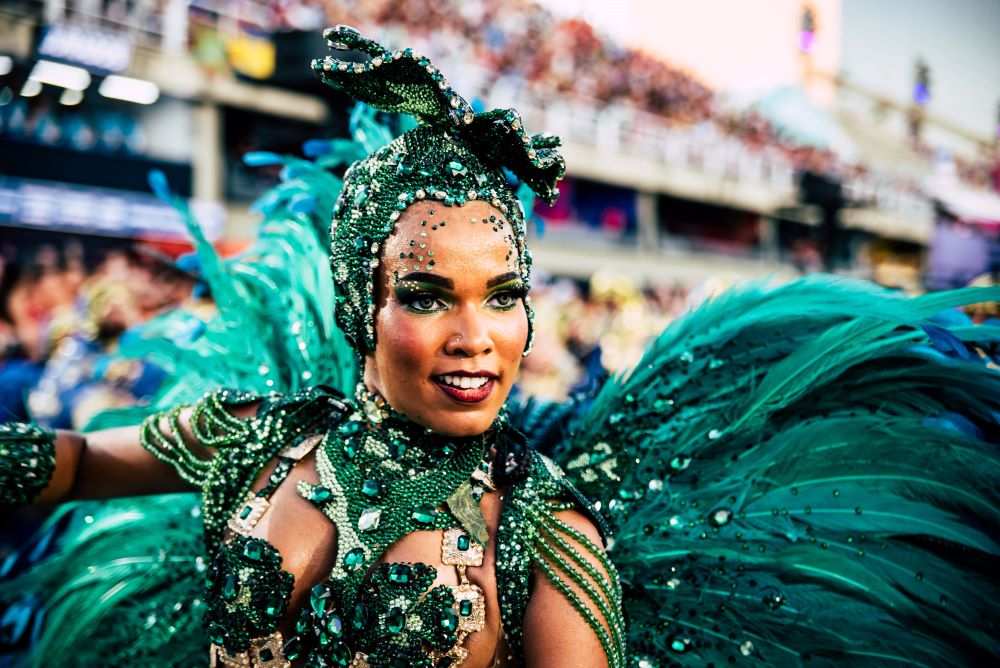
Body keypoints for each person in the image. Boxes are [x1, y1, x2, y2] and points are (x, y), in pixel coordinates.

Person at [2, 26, 999, 668]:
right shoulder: (254, 433)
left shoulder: (544, 529)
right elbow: (86, 460)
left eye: (505, 294)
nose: (475, 337)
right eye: (428, 294)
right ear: (363, 304)